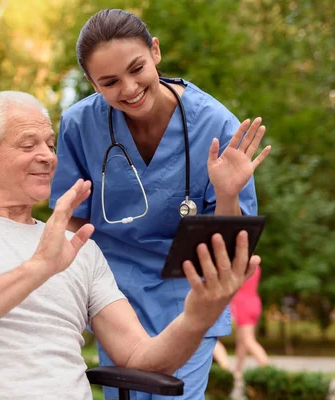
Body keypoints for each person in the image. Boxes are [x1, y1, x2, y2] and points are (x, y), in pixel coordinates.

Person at [0, 91, 261, 400]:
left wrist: (198, 317)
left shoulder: (79, 246)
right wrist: (37, 269)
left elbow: (141, 357)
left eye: (50, 144)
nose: (49, 156)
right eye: (28, 144)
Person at [50, 9, 271, 400]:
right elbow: (71, 220)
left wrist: (227, 192)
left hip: (189, 289)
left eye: (136, 68)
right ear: (91, 83)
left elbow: (231, 243)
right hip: (111, 291)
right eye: (110, 82)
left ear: (155, 51)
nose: (129, 88)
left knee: (176, 394)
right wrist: (65, 292)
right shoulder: (79, 124)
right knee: (127, 394)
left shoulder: (216, 124)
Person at [230, 265, 269, 378]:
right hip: (254, 301)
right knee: (242, 340)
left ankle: (267, 367)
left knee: (248, 340)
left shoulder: (239, 265)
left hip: (242, 304)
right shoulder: (255, 266)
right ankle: (237, 370)